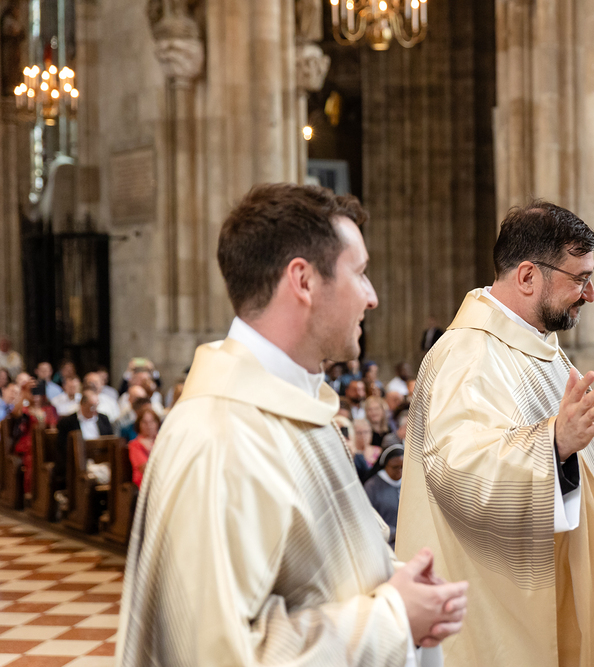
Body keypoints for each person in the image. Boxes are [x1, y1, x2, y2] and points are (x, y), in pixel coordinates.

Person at [117, 183, 467, 666]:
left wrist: (397, 582)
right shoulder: (222, 437)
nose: (372, 297)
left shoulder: (298, 406)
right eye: (360, 273)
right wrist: (394, 618)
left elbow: (319, 576)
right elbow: (220, 655)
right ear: (303, 280)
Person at [396, 200, 594, 667]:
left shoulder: (536, 346)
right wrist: (553, 443)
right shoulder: (468, 354)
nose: (590, 294)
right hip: (499, 616)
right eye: (580, 279)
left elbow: (587, 444)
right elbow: (459, 472)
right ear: (528, 276)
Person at [53, 388, 114, 492]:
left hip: (102, 461)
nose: (95, 410)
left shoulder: (103, 419)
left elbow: (111, 441)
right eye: (92, 406)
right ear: (82, 404)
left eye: (96, 405)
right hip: (79, 463)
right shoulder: (67, 422)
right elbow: (63, 448)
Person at [365, 444, 404, 549]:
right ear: (385, 465)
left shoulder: (408, 483)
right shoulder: (372, 487)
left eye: (403, 467)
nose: (400, 471)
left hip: (407, 540)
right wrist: (394, 533)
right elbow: (368, 518)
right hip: (384, 544)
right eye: (395, 467)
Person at [127, 406, 160, 487]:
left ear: (157, 423)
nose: (149, 425)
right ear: (139, 424)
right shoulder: (134, 445)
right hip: (145, 484)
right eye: (144, 422)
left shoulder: (162, 441)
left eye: (152, 422)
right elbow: (145, 468)